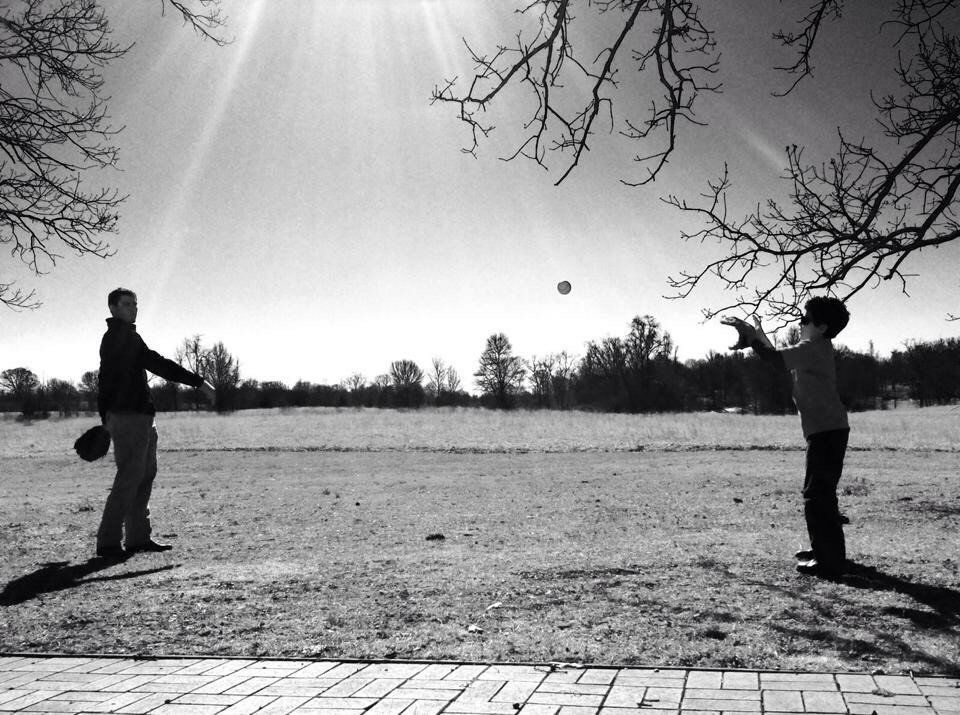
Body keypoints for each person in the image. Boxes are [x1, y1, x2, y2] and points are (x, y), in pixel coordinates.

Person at [722, 297, 851, 578]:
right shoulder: (814, 348)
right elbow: (776, 356)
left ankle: (829, 562)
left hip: (827, 431)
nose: (800, 323)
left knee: (816, 496)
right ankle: (827, 553)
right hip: (827, 429)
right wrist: (756, 338)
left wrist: (752, 338)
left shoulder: (813, 347)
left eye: (805, 319)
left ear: (822, 327)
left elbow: (774, 359)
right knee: (821, 495)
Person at [95, 288, 215, 558]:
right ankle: (108, 542)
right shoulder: (118, 337)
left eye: (135, 304)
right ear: (113, 308)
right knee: (130, 477)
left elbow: (106, 379)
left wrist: (105, 417)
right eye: (127, 304)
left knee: (144, 475)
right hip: (129, 418)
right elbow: (157, 363)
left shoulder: (127, 336)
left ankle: (138, 537)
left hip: (141, 417)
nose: (133, 308)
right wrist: (199, 383)